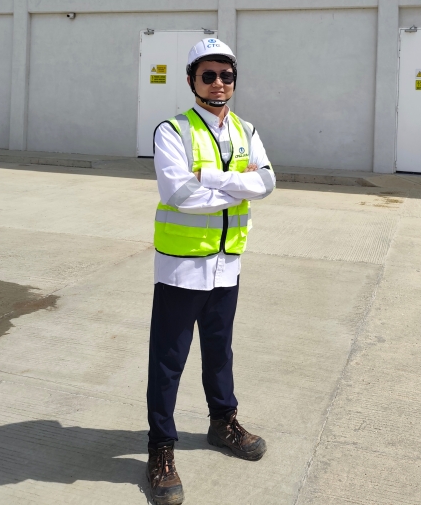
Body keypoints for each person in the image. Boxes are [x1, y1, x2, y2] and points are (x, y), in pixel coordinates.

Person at [146, 38, 275, 505]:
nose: (219, 82)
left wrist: (214, 179)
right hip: (182, 268)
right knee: (168, 361)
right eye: (208, 75)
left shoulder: (246, 129)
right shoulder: (172, 131)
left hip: (226, 264)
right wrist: (240, 186)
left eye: (226, 75)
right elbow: (179, 194)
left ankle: (223, 423)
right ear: (191, 80)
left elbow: (267, 182)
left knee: (220, 352)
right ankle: (161, 448)